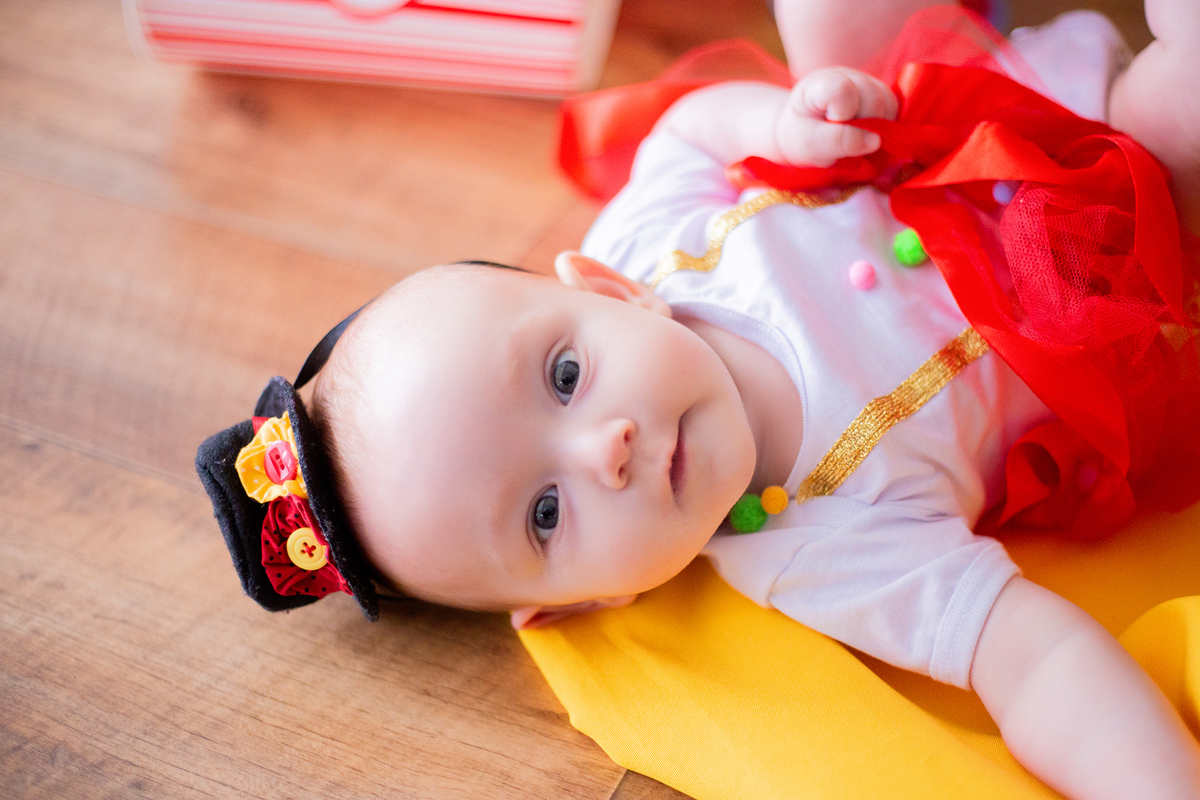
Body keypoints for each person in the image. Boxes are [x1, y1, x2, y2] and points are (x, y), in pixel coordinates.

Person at [195, 2, 1200, 798]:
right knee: (1174, 108)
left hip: (927, 109)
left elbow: (683, 131)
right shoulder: (819, 545)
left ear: (601, 287)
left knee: (831, 27)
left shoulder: (658, 247)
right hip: (1097, 230)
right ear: (588, 599)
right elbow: (1028, 661)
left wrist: (782, 125)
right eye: (547, 512)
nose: (607, 448)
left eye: (564, 376)